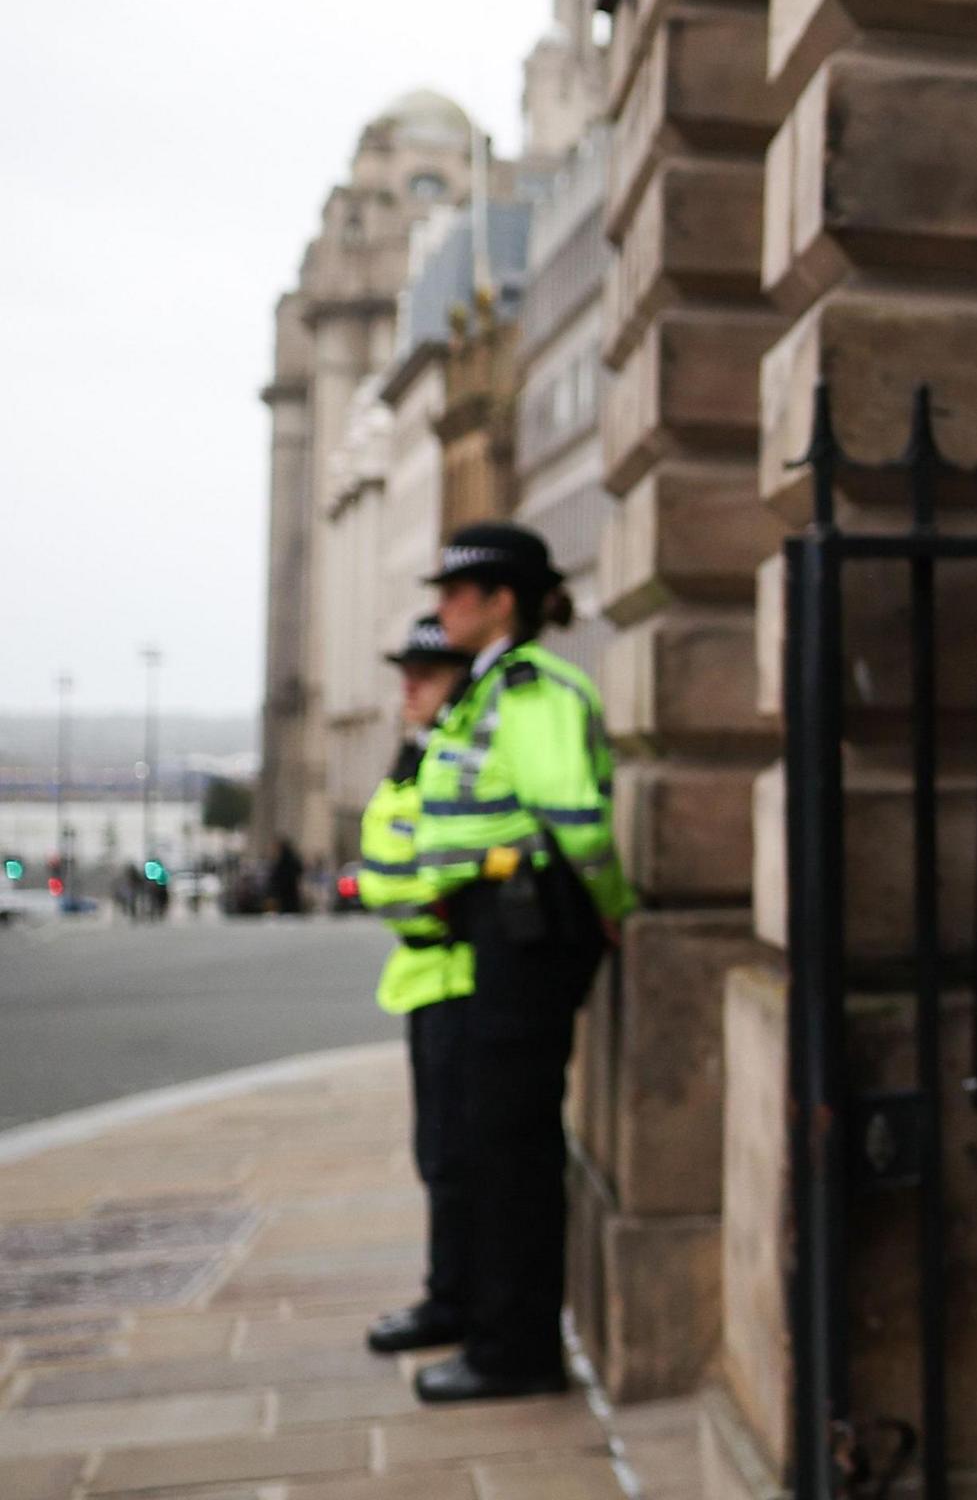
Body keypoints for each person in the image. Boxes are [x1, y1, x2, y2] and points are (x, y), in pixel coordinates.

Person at [404, 522, 632, 1403]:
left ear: (502, 601)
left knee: (510, 1146)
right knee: (496, 1139)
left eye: (455, 592)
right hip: (501, 925)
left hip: (530, 925)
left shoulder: (531, 687)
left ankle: (516, 1350)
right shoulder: (489, 689)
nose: (441, 607)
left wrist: (613, 909)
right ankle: (503, 1336)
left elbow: (574, 817)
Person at [356, 612, 476, 1360]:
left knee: (458, 1157)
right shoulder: (415, 756)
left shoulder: (452, 756)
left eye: (426, 672)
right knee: (439, 1155)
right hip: (426, 977)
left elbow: (431, 869)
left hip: (463, 975)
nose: (409, 684)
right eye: (406, 670)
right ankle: (452, 1297)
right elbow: (384, 872)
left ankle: (456, 1303)